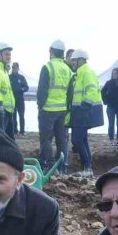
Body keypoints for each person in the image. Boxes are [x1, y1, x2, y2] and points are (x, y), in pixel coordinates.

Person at [37, 40, 72, 173]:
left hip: (47, 109)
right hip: (62, 110)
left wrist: (40, 106)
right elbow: (70, 92)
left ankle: (50, 165)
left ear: (51, 52)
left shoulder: (48, 67)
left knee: (45, 139)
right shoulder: (67, 70)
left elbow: (42, 91)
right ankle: (62, 167)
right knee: (61, 140)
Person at [68, 49, 102, 178]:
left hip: (84, 111)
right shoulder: (80, 73)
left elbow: (91, 90)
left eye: (74, 60)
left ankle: (87, 168)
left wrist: (85, 107)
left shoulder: (86, 72)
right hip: (80, 111)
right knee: (82, 139)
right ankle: (87, 168)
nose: (72, 63)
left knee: (77, 139)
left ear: (80, 60)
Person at [0, 43, 16, 139]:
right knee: (1, 138)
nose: (8, 56)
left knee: (10, 138)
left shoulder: (5, 70)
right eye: (6, 54)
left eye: (9, 54)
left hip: (9, 109)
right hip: (1, 109)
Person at [9, 63, 28, 135]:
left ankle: (22, 131)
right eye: (13, 67)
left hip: (20, 99)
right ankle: (14, 130)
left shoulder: (21, 77)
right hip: (12, 99)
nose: (14, 69)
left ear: (18, 68)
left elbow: (26, 87)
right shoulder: (9, 77)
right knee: (13, 116)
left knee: (21, 115)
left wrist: (21, 89)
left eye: (15, 68)